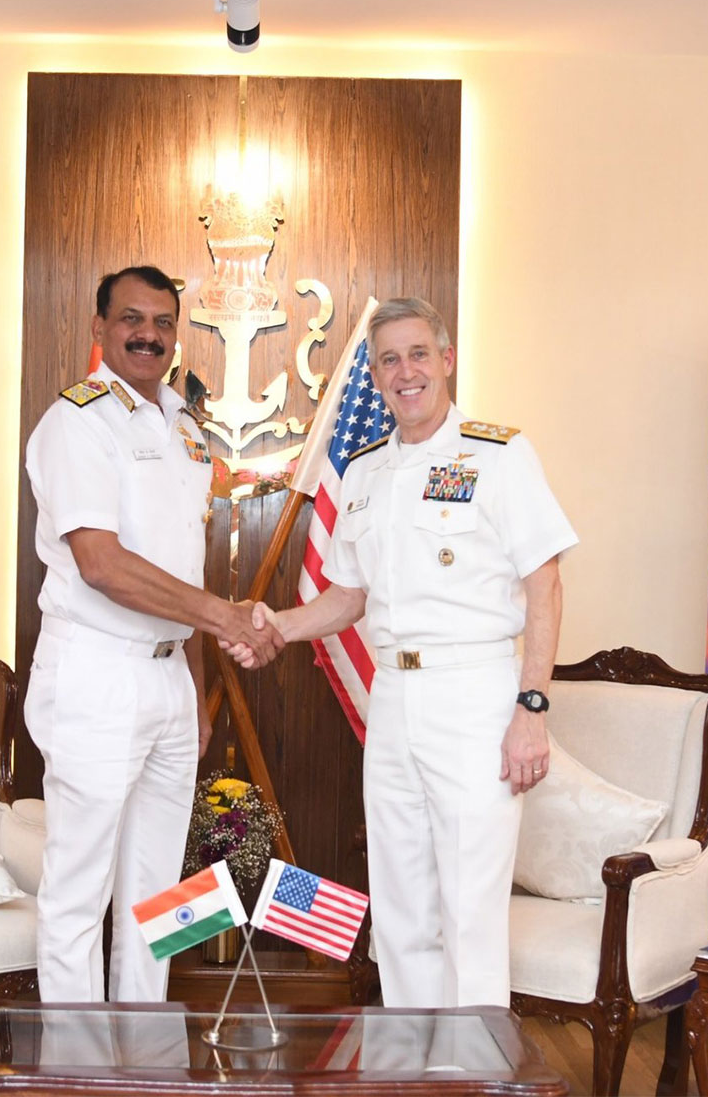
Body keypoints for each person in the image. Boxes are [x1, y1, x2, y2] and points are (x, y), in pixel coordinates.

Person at [224, 296, 576, 1009]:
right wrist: (277, 627)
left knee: (470, 905)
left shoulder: (499, 455)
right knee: (401, 901)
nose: (405, 371)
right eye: (389, 360)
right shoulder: (364, 472)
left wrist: (531, 707)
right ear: (376, 376)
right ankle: (415, 1064)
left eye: (419, 354)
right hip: (394, 698)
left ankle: (474, 1074)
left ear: (446, 361)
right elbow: (349, 595)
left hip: (474, 693)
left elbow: (545, 584)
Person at [24, 264, 285, 1003]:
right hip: (96, 676)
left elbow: (184, 567)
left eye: (163, 323)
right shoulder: (75, 422)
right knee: (80, 891)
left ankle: (141, 1054)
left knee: (159, 894)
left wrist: (196, 693)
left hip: (170, 681)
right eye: (131, 319)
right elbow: (102, 565)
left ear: (176, 334)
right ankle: (75, 1072)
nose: (148, 334)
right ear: (101, 329)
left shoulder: (184, 432)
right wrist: (229, 618)